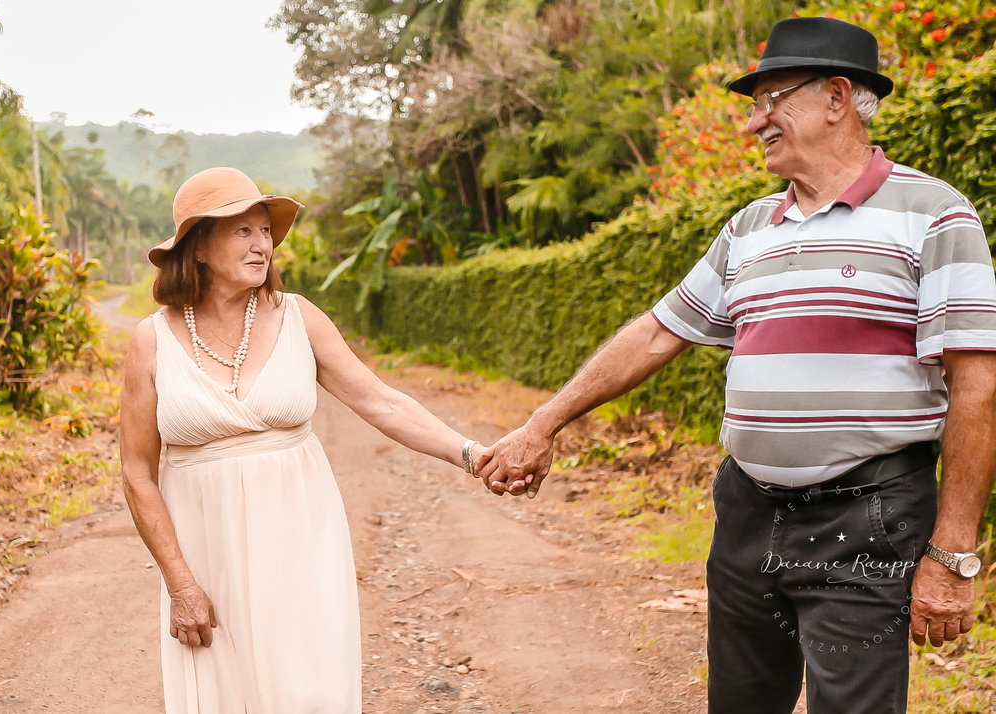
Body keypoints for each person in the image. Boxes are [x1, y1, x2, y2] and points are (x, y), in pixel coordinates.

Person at [481, 17, 996, 714]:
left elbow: (977, 385)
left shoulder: (934, 214)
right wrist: (542, 424)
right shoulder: (748, 228)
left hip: (868, 517)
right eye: (754, 107)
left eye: (770, 101)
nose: (754, 123)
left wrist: (953, 552)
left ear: (837, 97)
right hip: (747, 512)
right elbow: (657, 333)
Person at [119, 167, 492, 713]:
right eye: (242, 230)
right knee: (222, 694)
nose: (262, 244)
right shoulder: (150, 341)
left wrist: (471, 454)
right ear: (197, 246)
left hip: (300, 542)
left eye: (265, 231)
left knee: (308, 688)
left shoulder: (298, 317)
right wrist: (180, 584)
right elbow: (137, 472)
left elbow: (382, 402)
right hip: (205, 555)